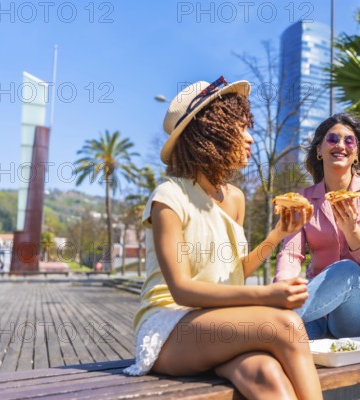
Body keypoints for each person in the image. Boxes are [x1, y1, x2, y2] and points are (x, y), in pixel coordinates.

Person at [123, 77, 323, 400]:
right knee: (286, 326)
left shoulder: (235, 199)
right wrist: (268, 296)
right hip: (170, 328)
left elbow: (235, 272)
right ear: (210, 133)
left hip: (215, 326)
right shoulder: (169, 197)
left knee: (266, 374)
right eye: (241, 129)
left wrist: (278, 235)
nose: (250, 139)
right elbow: (182, 289)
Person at [275, 113, 360, 339]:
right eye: (332, 139)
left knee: (347, 269)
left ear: (356, 153)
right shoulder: (302, 200)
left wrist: (352, 231)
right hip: (316, 315)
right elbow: (290, 253)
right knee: (284, 340)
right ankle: (275, 322)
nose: (341, 145)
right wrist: (282, 287)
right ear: (319, 150)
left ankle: (270, 321)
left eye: (349, 141)